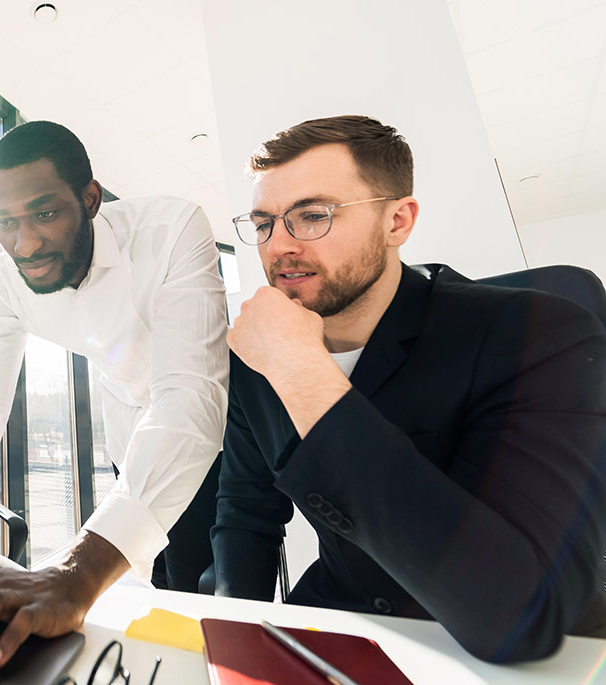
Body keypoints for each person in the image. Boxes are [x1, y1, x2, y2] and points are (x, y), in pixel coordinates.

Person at [212, 114, 606, 663]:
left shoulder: (540, 333)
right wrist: (236, 640)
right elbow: (245, 510)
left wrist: (302, 370)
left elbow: (523, 616)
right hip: (343, 628)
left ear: (397, 221)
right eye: (263, 224)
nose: (278, 246)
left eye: (312, 215)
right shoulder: (256, 362)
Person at [0, 121, 230, 678]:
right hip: (131, 431)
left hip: (215, 434)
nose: (24, 244)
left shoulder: (172, 227)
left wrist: (74, 572)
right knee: (154, 587)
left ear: (90, 199)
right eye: (6, 223)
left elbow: (188, 399)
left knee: (209, 597)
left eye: (45, 214)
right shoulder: (3, 283)